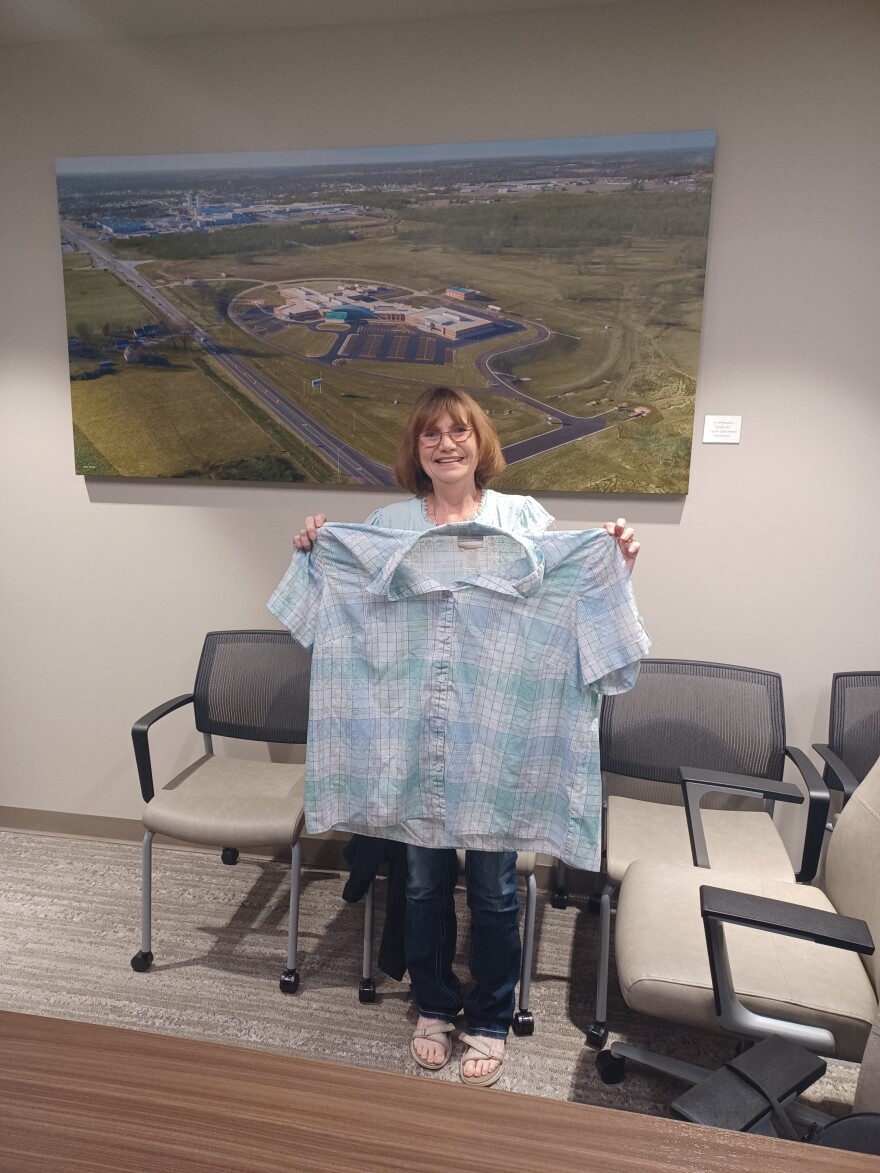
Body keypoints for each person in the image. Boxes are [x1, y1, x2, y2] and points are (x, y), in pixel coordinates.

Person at [293, 386, 639, 1086]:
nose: (445, 444)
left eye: (459, 431)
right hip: (414, 738)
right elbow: (331, 608)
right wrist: (313, 553)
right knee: (419, 884)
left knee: (494, 888)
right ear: (415, 448)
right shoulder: (388, 523)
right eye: (431, 434)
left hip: (496, 742)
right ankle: (434, 1003)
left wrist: (616, 562)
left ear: (480, 442)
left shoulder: (524, 518)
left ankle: (488, 1014)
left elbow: (572, 593)